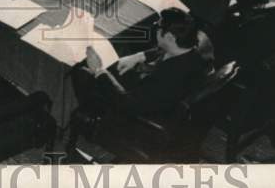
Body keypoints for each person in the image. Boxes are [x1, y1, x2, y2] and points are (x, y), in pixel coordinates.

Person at [84, 8, 215, 118]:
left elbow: (127, 104)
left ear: (170, 37)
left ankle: (91, 116)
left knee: (83, 73)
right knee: (117, 59)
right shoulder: (195, 46)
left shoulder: (167, 79)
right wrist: (140, 56)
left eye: (158, 27)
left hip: (134, 109)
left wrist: (99, 71)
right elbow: (167, 49)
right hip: (151, 91)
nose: (155, 29)